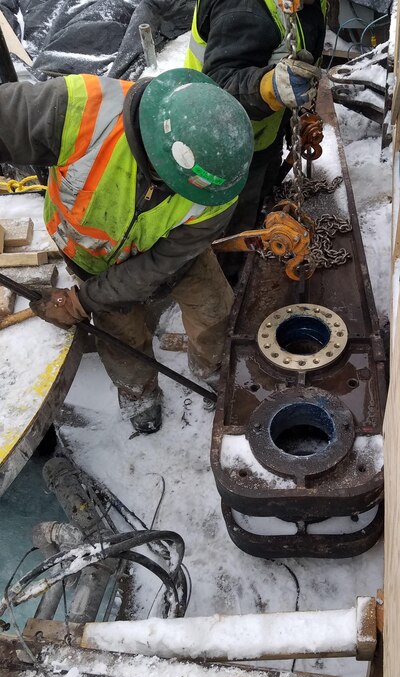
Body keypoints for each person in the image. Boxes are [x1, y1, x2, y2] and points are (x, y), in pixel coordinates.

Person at [0, 69, 253, 434]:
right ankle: (139, 394)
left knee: (215, 309)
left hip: (172, 256)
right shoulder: (81, 109)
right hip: (92, 257)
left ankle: (214, 368)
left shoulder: (218, 190)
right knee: (121, 334)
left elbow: (156, 265)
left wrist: (83, 301)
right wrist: (90, 296)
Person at [185, 0, 367, 238]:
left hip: (263, 137)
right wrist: (270, 87)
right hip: (219, 149)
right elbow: (216, 90)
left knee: (258, 208)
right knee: (228, 236)